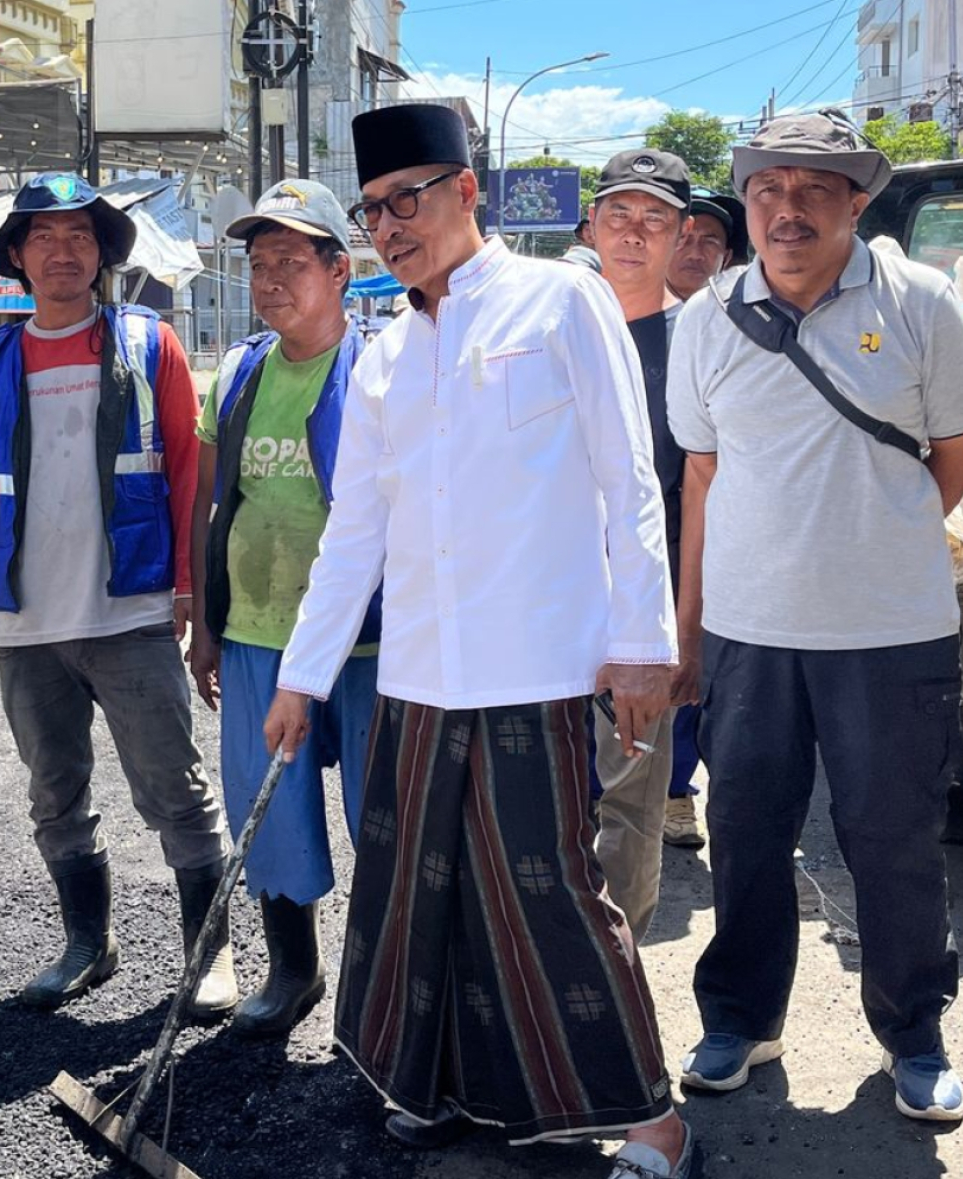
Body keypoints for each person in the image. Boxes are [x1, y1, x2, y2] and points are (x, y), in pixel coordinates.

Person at [265, 104, 695, 1179]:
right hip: (418, 679)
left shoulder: (560, 299)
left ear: (468, 192)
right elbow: (351, 535)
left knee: (551, 897)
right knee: (417, 895)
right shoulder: (381, 359)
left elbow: (626, 479)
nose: (387, 225)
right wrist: (299, 677)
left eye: (406, 197)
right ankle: (435, 1088)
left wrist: (641, 643)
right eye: (370, 209)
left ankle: (653, 1122)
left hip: (540, 669)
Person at [668, 112, 963, 1121]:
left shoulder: (922, 304)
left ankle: (912, 1034)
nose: (785, 207)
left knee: (892, 840)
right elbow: (699, 481)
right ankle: (739, 1022)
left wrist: (868, 543)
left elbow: (952, 458)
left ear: (853, 199)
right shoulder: (705, 319)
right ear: (745, 202)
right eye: (765, 188)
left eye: (812, 188)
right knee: (744, 831)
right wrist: (685, 631)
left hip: (892, 633)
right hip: (748, 634)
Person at [0, 173, 235, 1016]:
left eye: (79, 235)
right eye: (43, 237)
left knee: (175, 788)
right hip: (29, 621)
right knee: (54, 791)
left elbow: (189, 472)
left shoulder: (149, 347)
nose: (62, 250)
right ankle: (86, 942)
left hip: (133, 611)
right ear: (17, 258)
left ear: (102, 254)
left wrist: (190, 585)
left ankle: (206, 958)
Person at [190, 179, 380, 1037]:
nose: (270, 280)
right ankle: (294, 971)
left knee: (383, 815)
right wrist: (204, 620)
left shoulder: (382, 370)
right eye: (259, 264)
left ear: (340, 270)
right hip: (257, 632)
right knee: (270, 813)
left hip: (370, 642)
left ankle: (383, 989)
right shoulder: (235, 375)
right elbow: (209, 501)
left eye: (291, 262)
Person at [586, 148, 692, 941]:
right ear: (592, 222)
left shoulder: (701, 341)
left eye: (655, 218)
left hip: (642, 623)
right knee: (537, 810)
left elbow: (705, 493)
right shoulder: (555, 324)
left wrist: (679, 632)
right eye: (619, 214)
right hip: (547, 613)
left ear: (681, 234)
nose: (634, 232)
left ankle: (615, 1002)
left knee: (628, 809)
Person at [660, 188, 747, 850]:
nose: (693, 248)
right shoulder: (618, 319)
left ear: (729, 257)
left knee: (699, 668)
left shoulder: (747, 331)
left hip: (725, 536)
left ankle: (678, 790)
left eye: (708, 241)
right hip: (642, 534)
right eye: (683, 235)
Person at [665, 191, 747, 303]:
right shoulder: (635, 310)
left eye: (710, 242)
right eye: (684, 238)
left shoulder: (744, 317)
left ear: (726, 258)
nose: (695, 254)